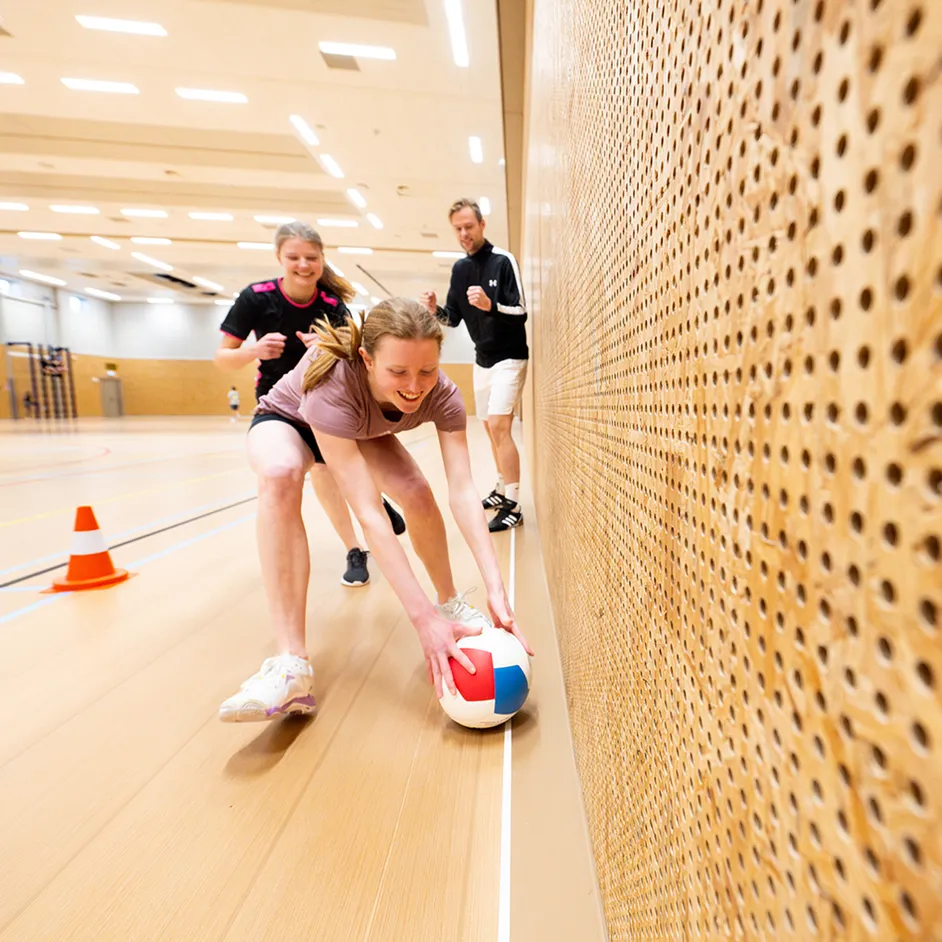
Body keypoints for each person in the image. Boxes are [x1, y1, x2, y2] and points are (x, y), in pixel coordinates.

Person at [219, 297, 533, 722]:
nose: (415, 385)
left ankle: (449, 602)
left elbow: (462, 490)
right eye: (398, 372)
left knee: (417, 492)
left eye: (427, 370)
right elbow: (369, 513)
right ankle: (291, 663)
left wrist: (495, 587)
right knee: (280, 473)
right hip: (290, 420)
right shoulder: (332, 381)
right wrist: (420, 622)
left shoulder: (442, 394)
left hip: (360, 428)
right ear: (366, 359)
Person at [214, 220, 405, 587]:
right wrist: (253, 350)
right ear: (279, 257)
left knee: (339, 465)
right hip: (282, 407)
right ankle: (355, 548)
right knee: (320, 470)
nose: (303, 265)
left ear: (322, 259)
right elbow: (223, 356)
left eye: (311, 258)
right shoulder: (256, 297)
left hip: (327, 397)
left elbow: (356, 358)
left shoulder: (333, 305)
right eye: (294, 257)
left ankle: (375, 501)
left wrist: (328, 345)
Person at [421, 198, 527, 532]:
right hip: (481, 361)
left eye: (470, 226)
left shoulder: (503, 261)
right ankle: (500, 485)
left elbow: (521, 310)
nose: (465, 233)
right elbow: (452, 319)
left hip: (510, 356)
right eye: (458, 229)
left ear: (482, 225)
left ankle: (514, 503)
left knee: (499, 426)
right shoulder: (460, 269)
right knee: (487, 427)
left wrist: (490, 304)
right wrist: (436, 310)